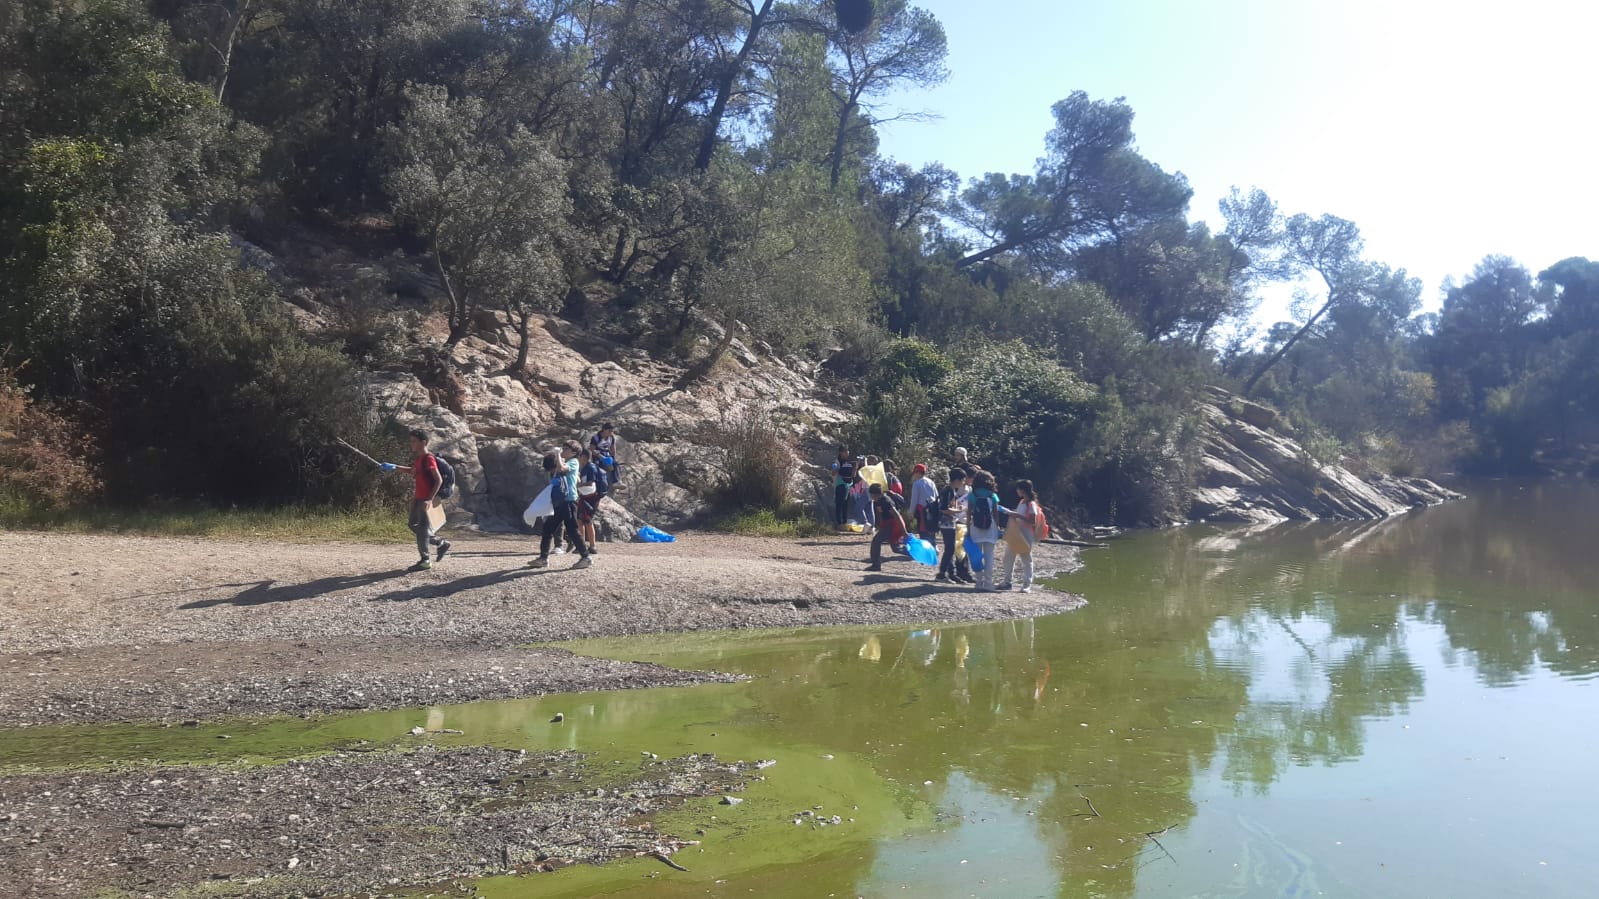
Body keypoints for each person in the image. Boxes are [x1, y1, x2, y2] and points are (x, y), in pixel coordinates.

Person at [389, 429, 449, 571]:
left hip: (425, 500)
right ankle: (440, 543)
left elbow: (438, 480)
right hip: (418, 498)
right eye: (411, 441)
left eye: (414, 441)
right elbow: (412, 471)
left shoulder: (429, 458)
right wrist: (394, 467)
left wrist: (429, 500)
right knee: (412, 525)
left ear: (423, 442)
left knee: (421, 528)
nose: (411, 444)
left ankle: (425, 560)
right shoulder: (419, 459)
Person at [529, 447, 591, 570]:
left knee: (573, 530)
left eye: (566, 449)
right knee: (547, 528)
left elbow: (563, 469)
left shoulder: (571, 463)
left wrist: (557, 454)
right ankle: (543, 558)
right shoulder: (559, 468)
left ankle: (586, 557)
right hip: (558, 503)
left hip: (568, 502)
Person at [998, 479, 1042, 593]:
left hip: (1026, 534)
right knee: (1008, 557)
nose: (1017, 491)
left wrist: (1017, 515)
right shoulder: (1022, 502)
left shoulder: (1031, 504)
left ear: (1022, 490)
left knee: (1026, 558)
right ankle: (1007, 582)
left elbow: (1032, 521)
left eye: (1018, 489)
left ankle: (1027, 585)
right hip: (1016, 532)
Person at [966, 471, 1002, 592]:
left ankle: (978, 582)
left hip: (975, 527)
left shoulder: (972, 495)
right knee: (989, 556)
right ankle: (988, 583)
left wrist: (968, 528)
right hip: (990, 527)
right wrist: (997, 527)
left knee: (976, 556)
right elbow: (996, 513)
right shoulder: (992, 495)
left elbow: (968, 513)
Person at [936, 468, 973, 584]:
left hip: (950, 522)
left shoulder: (951, 490)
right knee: (950, 549)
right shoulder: (949, 490)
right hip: (946, 523)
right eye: (962, 480)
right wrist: (957, 511)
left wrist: (957, 509)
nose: (963, 482)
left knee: (952, 549)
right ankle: (942, 573)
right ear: (956, 480)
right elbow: (944, 508)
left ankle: (951, 573)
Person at [866, 483, 909, 572]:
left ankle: (876, 565)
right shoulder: (878, 501)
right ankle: (914, 554)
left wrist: (904, 531)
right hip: (887, 524)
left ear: (876, 494)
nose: (871, 496)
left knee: (876, 541)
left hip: (893, 525)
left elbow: (896, 515)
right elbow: (881, 514)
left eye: (871, 494)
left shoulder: (886, 501)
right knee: (896, 549)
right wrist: (881, 526)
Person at [577, 448, 609, 554]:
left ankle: (592, 546)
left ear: (585, 457)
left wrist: (579, 485)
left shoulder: (590, 467)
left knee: (587, 521)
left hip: (591, 498)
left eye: (580, 456)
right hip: (585, 497)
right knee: (581, 521)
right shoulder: (584, 468)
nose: (578, 458)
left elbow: (591, 483)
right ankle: (583, 545)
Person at [909, 463, 939, 543]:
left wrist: (911, 512)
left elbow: (914, 499)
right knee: (931, 529)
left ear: (918, 472)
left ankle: (926, 549)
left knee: (923, 530)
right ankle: (933, 546)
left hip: (922, 510)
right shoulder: (931, 482)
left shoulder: (917, 483)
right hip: (932, 509)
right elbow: (937, 496)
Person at [590, 423, 624, 492]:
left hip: (607, 454)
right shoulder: (596, 438)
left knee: (614, 464)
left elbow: (613, 447)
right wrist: (600, 456)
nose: (611, 433)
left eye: (612, 431)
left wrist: (613, 457)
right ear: (604, 430)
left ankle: (616, 481)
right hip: (598, 455)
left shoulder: (611, 437)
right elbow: (592, 449)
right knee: (599, 467)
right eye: (609, 431)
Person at [831, 449, 852, 527]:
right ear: (841, 452)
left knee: (845, 505)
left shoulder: (848, 462)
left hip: (848, 485)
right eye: (845, 451)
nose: (847, 453)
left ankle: (844, 522)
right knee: (839, 504)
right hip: (840, 485)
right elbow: (833, 472)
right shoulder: (836, 462)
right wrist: (837, 469)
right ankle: (839, 523)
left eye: (848, 451)